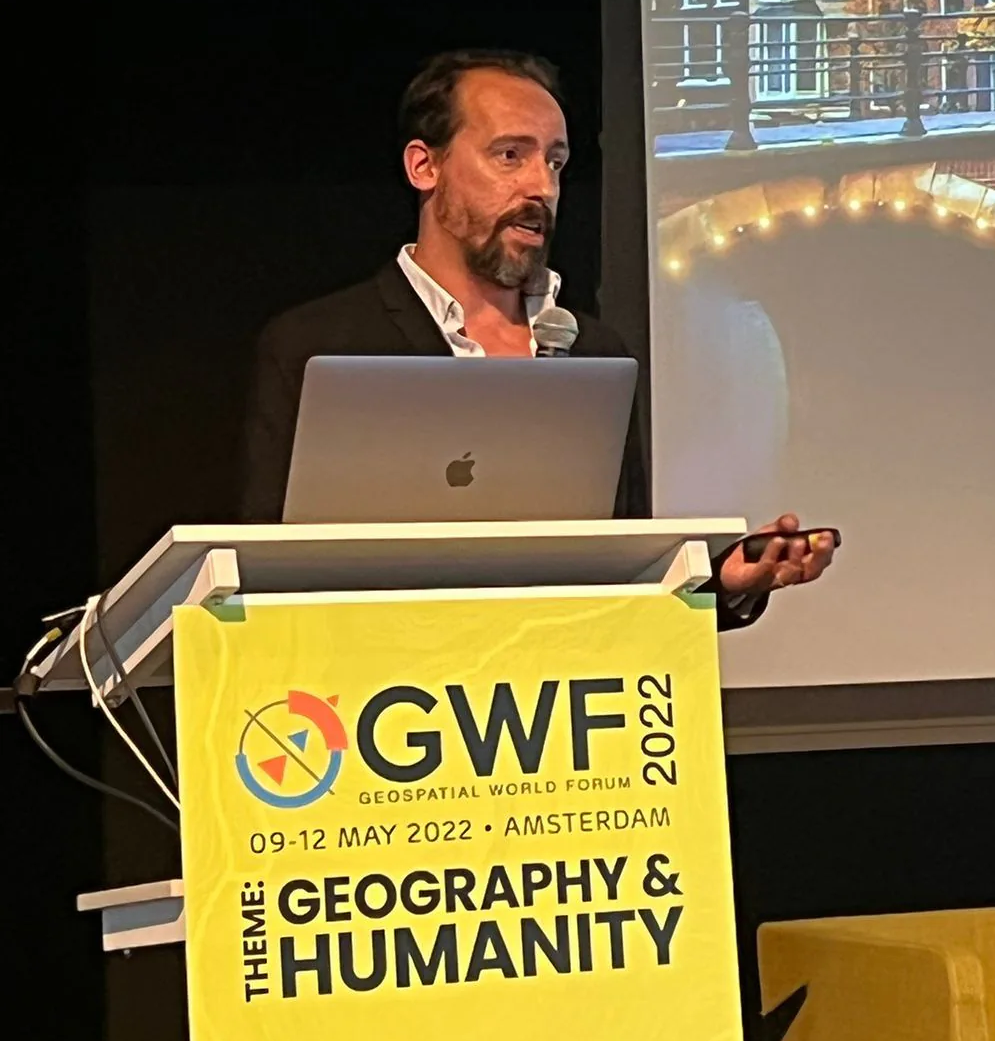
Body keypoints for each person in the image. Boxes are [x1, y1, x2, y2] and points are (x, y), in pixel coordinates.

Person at [241, 49, 833, 627]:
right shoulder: (319, 345)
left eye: (554, 161)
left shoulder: (593, 353)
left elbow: (621, 577)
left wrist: (722, 583)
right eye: (509, 155)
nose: (540, 187)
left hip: (553, 706)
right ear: (425, 167)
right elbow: (260, 584)